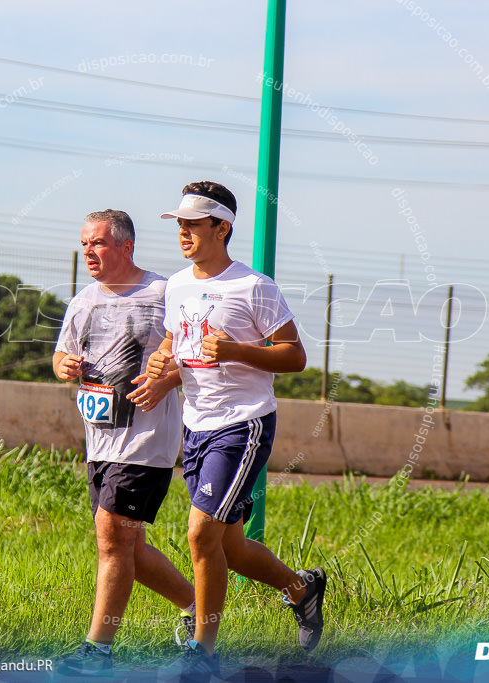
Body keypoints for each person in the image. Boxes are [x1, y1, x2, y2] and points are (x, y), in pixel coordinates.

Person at [146, 182, 326, 681]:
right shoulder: (178, 285)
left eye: (193, 224)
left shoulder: (254, 286)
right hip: (195, 423)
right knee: (228, 546)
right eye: (179, 224)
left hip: (242, 423)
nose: (183, 232)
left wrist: (236, 351)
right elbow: (173, 343)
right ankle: (301, 589)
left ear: (222, 228)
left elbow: (294, 355)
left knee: (200, 534)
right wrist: (163, 368)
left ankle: (203, 651)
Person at [52, 209, 196, 677]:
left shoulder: (163, 293)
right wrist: (64, 367)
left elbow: (195, 356)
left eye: (96, 243)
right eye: (84, 244)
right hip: (100, 440)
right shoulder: (83, 301)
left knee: (112, 536)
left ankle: (98, 652)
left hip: (147, 439)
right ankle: (198, 605)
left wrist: (166, 379)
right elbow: (60, 352)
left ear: (125, 246)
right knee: (128, 547)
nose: (88, 252)